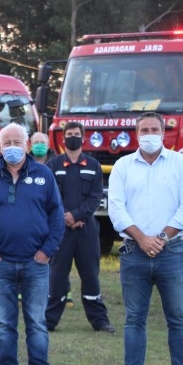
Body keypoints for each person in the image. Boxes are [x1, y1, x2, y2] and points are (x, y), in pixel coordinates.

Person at [107, 112, 183, 365]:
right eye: (144, 130)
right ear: (137, 134)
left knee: (178, 318)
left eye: (154, 130)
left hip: (171, 251)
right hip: (134, 251)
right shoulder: (123, 166)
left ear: (163, 133)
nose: (149, 134)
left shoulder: (181, 164)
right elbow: (116, 208)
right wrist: (142, 238)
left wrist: (160, 238)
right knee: (134, 318)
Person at [0, 123, 64, 365]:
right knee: (4, 324)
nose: (12, 147)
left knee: (36, 322)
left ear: (27, 145)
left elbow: (56, 216)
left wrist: (46, 252)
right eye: (7, 143)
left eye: (17, 142)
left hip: (36, 264)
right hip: (1, 264)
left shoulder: (44, 175)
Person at [45, 121, 115, 332]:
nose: (72, 137)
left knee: (91, 275)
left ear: (83, 138)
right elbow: (51, 196)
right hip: (61, 230)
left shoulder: (93, 165)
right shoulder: (53, 165)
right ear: (63, 138)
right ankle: (49, 321)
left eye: (76, 134)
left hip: (86, 229)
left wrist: (75, 215)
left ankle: (99, 320)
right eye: (69, 134)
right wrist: (65, 217)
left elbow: (96, 197)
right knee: (57, 276)